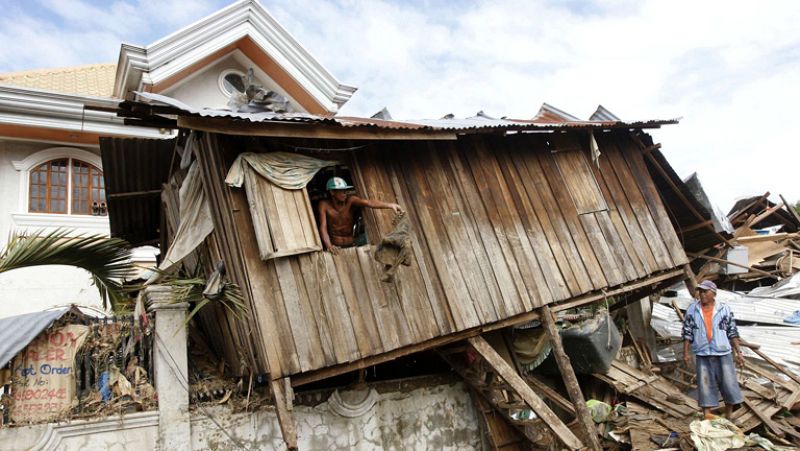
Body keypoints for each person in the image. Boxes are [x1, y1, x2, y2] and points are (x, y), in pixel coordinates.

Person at [682, 280, 745, 420]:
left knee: (728, 383)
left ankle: (729, 416)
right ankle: (707, 417)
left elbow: (732, 332)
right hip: (702, 353)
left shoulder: (724, 309)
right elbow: (687, 333)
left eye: (705, 291)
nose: (702, 294)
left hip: (723, 352)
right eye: (700, 291)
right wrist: (686, 353)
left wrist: (739, 352)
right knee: (705, 385)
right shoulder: (692, 310)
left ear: (713, 293)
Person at [317, 176, 401, 252]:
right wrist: (329, 246)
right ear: (332, 192)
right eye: (341, 190)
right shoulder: (324, 205)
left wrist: (390, 205)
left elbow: (369, 203)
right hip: (335, 247)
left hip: (352, 244)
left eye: (345, 190)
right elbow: (323, 227)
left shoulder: (351, 200)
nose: (344, 193)